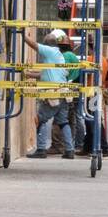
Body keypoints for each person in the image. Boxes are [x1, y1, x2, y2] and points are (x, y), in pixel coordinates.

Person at [22, 28, 75, 160]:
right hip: (62, 93)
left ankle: (41, 149)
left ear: (47, 44)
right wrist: (29, 74)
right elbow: (46, 75)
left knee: (40, 119)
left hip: (53, 93)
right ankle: (69, 150)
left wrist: (21, 34)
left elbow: (33, 45)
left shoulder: (49, 51)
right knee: (63, 122)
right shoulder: (58, 55)